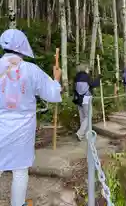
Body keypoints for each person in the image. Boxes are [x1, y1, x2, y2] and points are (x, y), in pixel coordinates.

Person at [0, 29, 62, 206]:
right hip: (22, 127)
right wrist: (56, 78)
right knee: (20, 171)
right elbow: (51, 94)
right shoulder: (31, 70)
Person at [73, 63, 100, 141]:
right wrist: (99, 78)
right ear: (85, 69)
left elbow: (74, 89)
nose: (88, 70)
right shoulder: (86, 76)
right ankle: (80, 133)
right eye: (87, 69)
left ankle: (86, 135)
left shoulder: (76, 77)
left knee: (82, 117)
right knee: (88, 116)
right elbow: (93, 84)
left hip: (78, 99)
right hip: (86, 98)